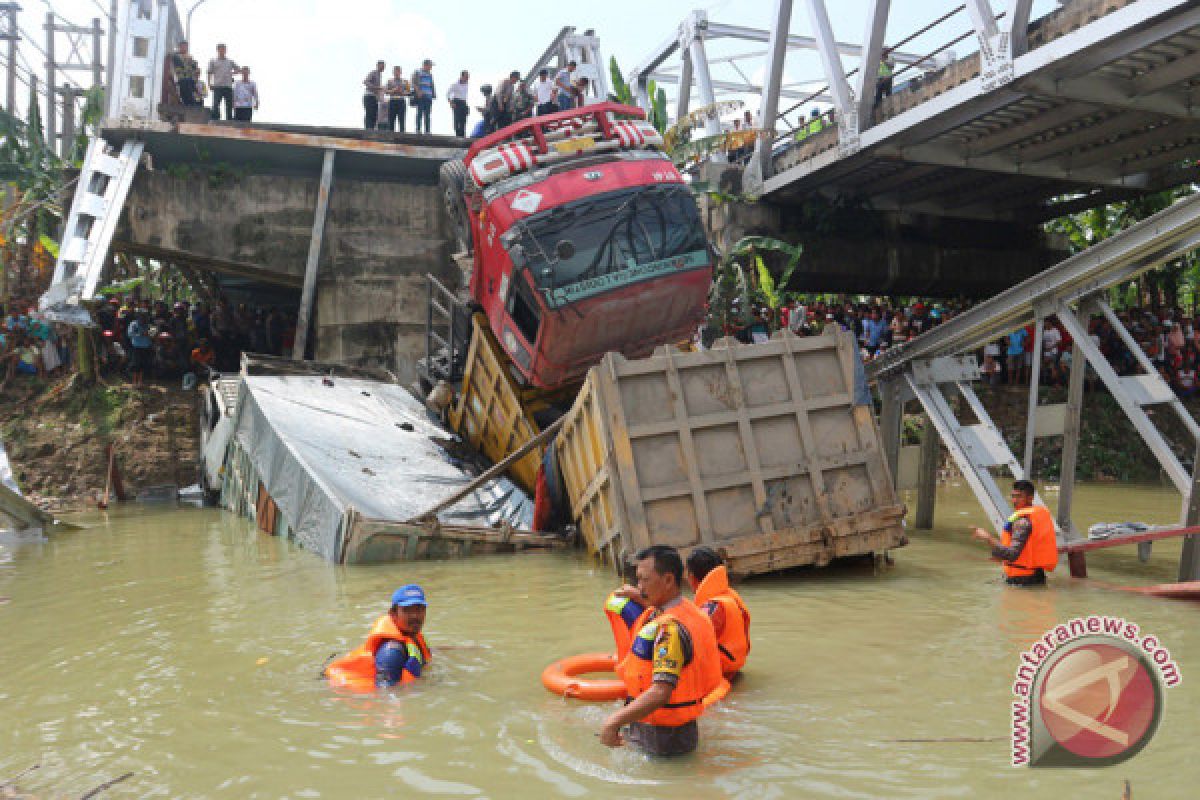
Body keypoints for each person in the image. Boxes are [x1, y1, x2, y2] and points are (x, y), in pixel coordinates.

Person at [600, 545, 723, 757]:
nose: (639, 587)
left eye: (644, 580)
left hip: (662, 739)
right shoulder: (690, 610)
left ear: (667, 580)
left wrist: (614, 721)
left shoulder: (670, 630)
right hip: (678, 731)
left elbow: (660, 692)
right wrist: (640, 596)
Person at [326, 585, 432, 689]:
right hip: (339, 686)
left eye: (419, 609)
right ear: (393, 613)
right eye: (407, 610)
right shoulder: (391, 652)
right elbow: (384, 696)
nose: (415, 616)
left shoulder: (413, 635)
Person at [971, 480, 1059, 586]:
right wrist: (1000, 556)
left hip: (1023, 580)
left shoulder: (1022, 522)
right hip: (1036, 575)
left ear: (1030, 498)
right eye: (1013, 496)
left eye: (1019, 496)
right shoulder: (1034, 517)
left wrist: (988, 537)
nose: (1014, 500)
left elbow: (1012, 555)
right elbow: (1025, 550)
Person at [685, 547, 750, 679]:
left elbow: (689, 645)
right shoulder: (729, 596)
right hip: (734, 671)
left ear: (691, 577)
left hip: (719, 676)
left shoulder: (712, 607)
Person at [207, 44, 239, 120]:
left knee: (229, 105)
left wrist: (231, 73)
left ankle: (229, 120)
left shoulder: (230, 61)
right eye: (220, 49)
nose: (222, 51)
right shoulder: (213, 61)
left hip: (228, 86)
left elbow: (238, 69)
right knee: (215, 104)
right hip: (217, 86)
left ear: (226, 50)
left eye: (224, 49)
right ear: (217, 50)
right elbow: (209, 73)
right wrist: (209, 84)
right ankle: (216, 119)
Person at [171, 40, 201, 106]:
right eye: (182, 46)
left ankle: (194, 104)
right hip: (181, 78)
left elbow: (196, 68)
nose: (184, 48)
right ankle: (189, 104)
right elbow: (180, 66)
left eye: (185, 46)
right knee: (185, 90)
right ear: (179, 47)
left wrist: (197, 74)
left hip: (191, 79)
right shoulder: (176, 56)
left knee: (199, 89)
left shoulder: (190, 57)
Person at [411, 59, 436, 134]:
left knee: (427, 114)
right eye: (430, 65)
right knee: (420, 113)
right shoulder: (418, 72)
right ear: (425, 65)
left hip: (428, 96)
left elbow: (431, 85)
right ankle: (418, 129)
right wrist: (418, 91)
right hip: (421, 96)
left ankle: (427, 131)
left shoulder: (430, 74)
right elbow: (413, 82)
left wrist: (433, 94)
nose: (431, 67)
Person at [384, 66, 410, 132]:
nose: (397, 72)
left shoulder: (405, 81)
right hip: (392, 100)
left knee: (401, 119)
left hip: (401, 101)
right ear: (393, 72)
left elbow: (409, 92)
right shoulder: (389, 81)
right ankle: (390, 135)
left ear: (401, 72)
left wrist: (402, 92)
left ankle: (402, 135)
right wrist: (393, 90)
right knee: (391, 119)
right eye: (395, 71)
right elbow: (386, 91)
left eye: (398, 71)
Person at [447, 70, 470, 137]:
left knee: (464, 119)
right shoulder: (455, 84)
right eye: (466, 77)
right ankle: (457, 134)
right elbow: (448, 94)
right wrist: (451, 103)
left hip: (464, 102)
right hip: (456, 102)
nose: (467, 78)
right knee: (457, 119)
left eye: (468, 77)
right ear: (462, 76)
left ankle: (462, 134)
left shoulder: (466, 84)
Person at [363, 60, 385, 130]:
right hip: (369, 96)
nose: (383, 67)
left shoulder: (379, 75)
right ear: (378, 65)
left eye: (384, 66)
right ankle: (368, 129)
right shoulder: (373, 73)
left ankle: (372, 129)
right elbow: (365, 82)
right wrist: (377, 87)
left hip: (374, 97)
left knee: (374, 114)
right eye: (382, 65)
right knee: (369, 113)